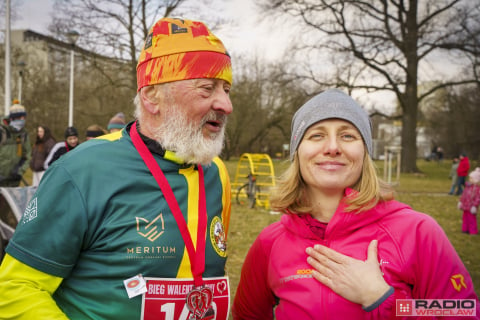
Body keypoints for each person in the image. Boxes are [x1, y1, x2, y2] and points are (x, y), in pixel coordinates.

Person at [0, 17, 233, 320]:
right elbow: (15, 287)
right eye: (208, 88)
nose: (226, 104)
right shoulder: (83, 171)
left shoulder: (216, 173)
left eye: (227, 89)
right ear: (151, 96)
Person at [233, 89, 480, 319]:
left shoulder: (418, 232)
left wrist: (382, 298)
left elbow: (463, 311)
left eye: (347, 136)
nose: (332, 148)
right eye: (317, 135)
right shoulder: (270, 243)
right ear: (298, 152)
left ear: (365, 152)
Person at [0, 100, 31, 187]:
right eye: (20, 118)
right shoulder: (1, 131)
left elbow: (27, 156)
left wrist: (19, 172)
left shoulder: (23, 133)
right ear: (12, 118)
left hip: (13, 183)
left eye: (24, 118)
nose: (22, 120)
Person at [458, 168, 480, 235]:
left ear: (476, 180)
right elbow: (464, 195)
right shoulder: (467, 187)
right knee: (465, 218)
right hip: (465, 206)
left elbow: (478, 198)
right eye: (470, 178)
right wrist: (461, 202)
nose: (470, 179)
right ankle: (465, 229)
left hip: (471, 207)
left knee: (471, 219)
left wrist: (475, 206)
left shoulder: (477, 189)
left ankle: (473, 230)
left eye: (471, 178)